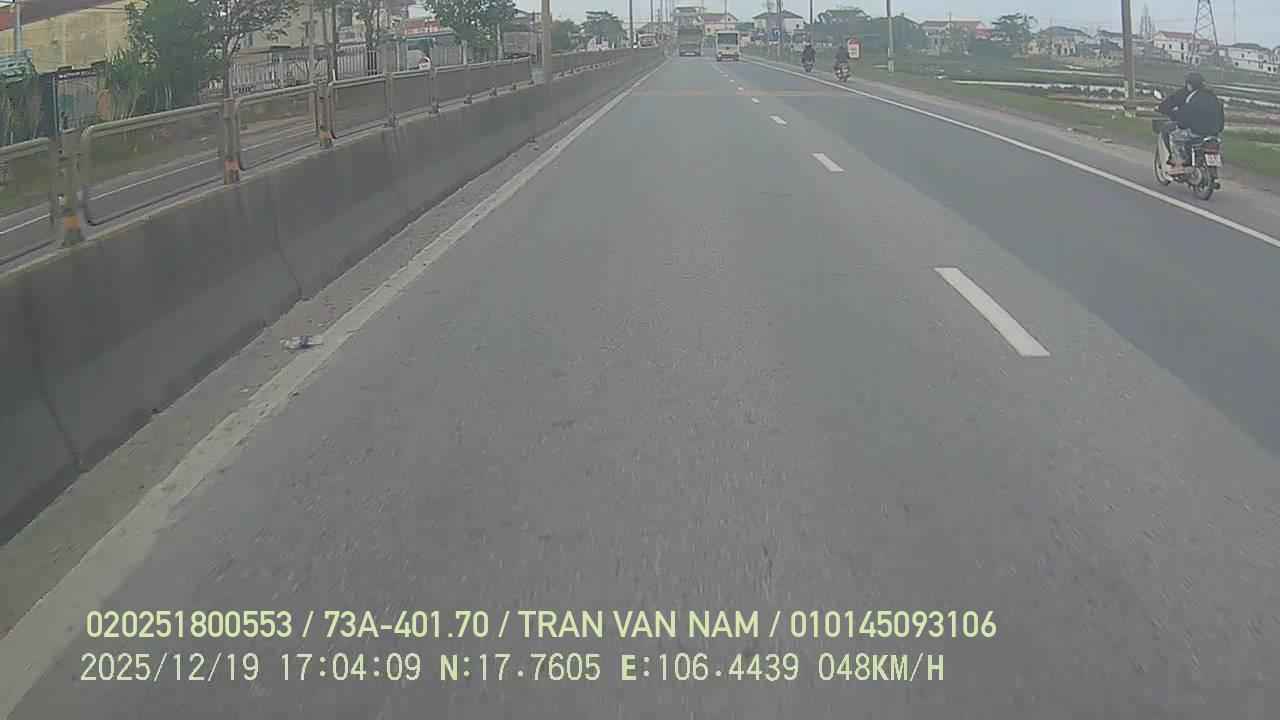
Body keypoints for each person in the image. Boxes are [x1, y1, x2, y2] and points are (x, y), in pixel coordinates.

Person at [1157, 71, 1225, 175]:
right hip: (1214, 133)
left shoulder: (1192, 98)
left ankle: (1179, 164)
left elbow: (1184, 121)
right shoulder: (1213, 97)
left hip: (1197, 132)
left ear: (1189, 85)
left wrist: (1179, 121)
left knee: (1174, 136)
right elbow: (1221, 116)